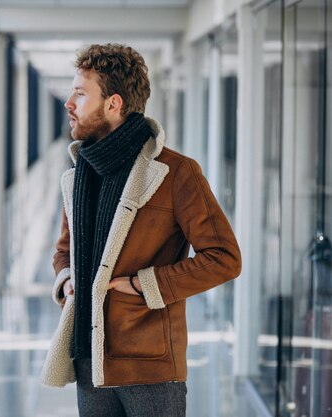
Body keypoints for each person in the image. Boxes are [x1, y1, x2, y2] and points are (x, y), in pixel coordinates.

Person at [40, 43, 242, 417]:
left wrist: (144, 285)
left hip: (150, 368)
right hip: (90, 361)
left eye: (80, 94)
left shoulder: (177, 173)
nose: (69, 103)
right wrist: (67, 279)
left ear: (113, 104)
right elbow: (63, 250)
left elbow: (225, 259)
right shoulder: (79, 174)